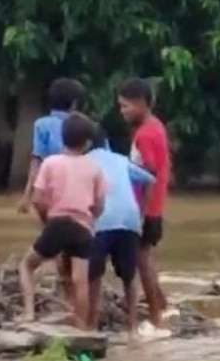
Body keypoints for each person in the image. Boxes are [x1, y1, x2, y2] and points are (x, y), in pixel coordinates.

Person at [18, 113, 108, 328]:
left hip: (57, 223)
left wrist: (46, 218)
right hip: (83, 227)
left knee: (26, 265)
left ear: (62, 137)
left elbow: (38, 199)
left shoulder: (50, 163)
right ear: (87, 143)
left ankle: (29, 313)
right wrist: (89, 218)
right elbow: (99, 206)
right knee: (81, 281)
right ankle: (82, 327)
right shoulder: (94, 167)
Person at [18, 78, 88, 303]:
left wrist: (27, 195)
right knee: (74, 244)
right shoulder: (83, 125)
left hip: (49, 192)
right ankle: (74, 297)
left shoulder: (42, 124)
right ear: (75, 103)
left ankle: (66, 294)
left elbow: (36, 160)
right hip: (79, 192)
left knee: (56, 242)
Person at [86, 135, 156, 334]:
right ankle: (132, 327)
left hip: (101, 223)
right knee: (129, 276)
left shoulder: (85, 162)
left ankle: (91, 324)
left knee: (94, 275)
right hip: (129, 220)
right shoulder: (121, 160)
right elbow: (150, 180)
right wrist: (140, 213)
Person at [117, 78, 172, 330]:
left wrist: (137, 212)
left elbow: (148, 171)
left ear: (140, 104)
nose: (122, 112)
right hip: (154, 206)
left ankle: (155, 316)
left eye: (125, 106)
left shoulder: (145, 135)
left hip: (145, 208)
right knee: (146, 258)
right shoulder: (155, 126)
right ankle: (161, 305)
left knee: (142, 261)